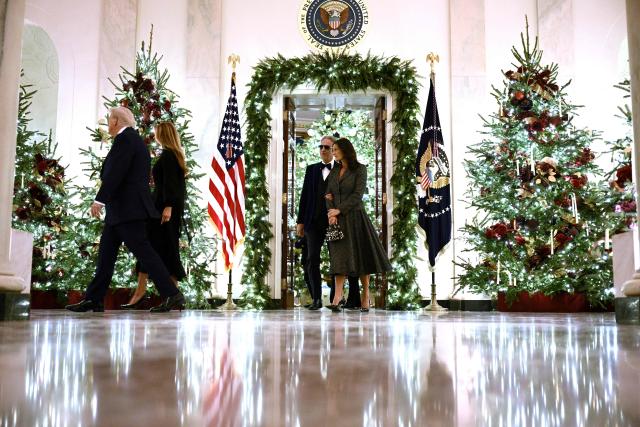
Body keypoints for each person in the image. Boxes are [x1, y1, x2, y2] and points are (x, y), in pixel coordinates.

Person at [65, 106, 185, 313]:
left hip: (128, 210)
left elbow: (115, 172)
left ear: (115, 121)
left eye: (109, 120)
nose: (107, 124)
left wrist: (99, 200)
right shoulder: (132, 140)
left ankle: (172, 294)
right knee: (106, 255)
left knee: (145, 253)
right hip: (121, 210)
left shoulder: (126, 139)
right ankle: (94, 298)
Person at [121, 122, 187, 309]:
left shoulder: (168, 156)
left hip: (163, 211)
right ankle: (161, 294)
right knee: (157, 249)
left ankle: (167, 295)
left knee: (159, 249)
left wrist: (168, 206)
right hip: (161, 209)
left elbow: (172, 185)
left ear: (162, 134)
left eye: (157, 132)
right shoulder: (172, 155)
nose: (155, 135)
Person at [325, 138, 391, 313]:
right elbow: (328, 194)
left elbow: (357, 195)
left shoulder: (360, 169)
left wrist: (338, 209)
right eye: (332, 149)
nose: (333, 152)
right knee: (339, 258)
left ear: (346, 150)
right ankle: (337, 298)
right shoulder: (334, 171)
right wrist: (331, 213)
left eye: (336, 149)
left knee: (362, 258)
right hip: (338, 221)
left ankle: (365, 295)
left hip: (356, 219)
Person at [296, 136, 360, 310]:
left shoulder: (343, 169)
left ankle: (336, 299)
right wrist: (300, 221)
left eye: (327, 147)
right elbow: (304, 197)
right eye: (321, 147)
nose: (323, 150)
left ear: (334, 150)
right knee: (311, 259)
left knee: (339, 259)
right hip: (313, 222)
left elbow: (350, 193)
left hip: (337, 221)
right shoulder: (311, 170)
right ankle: (316, 298)